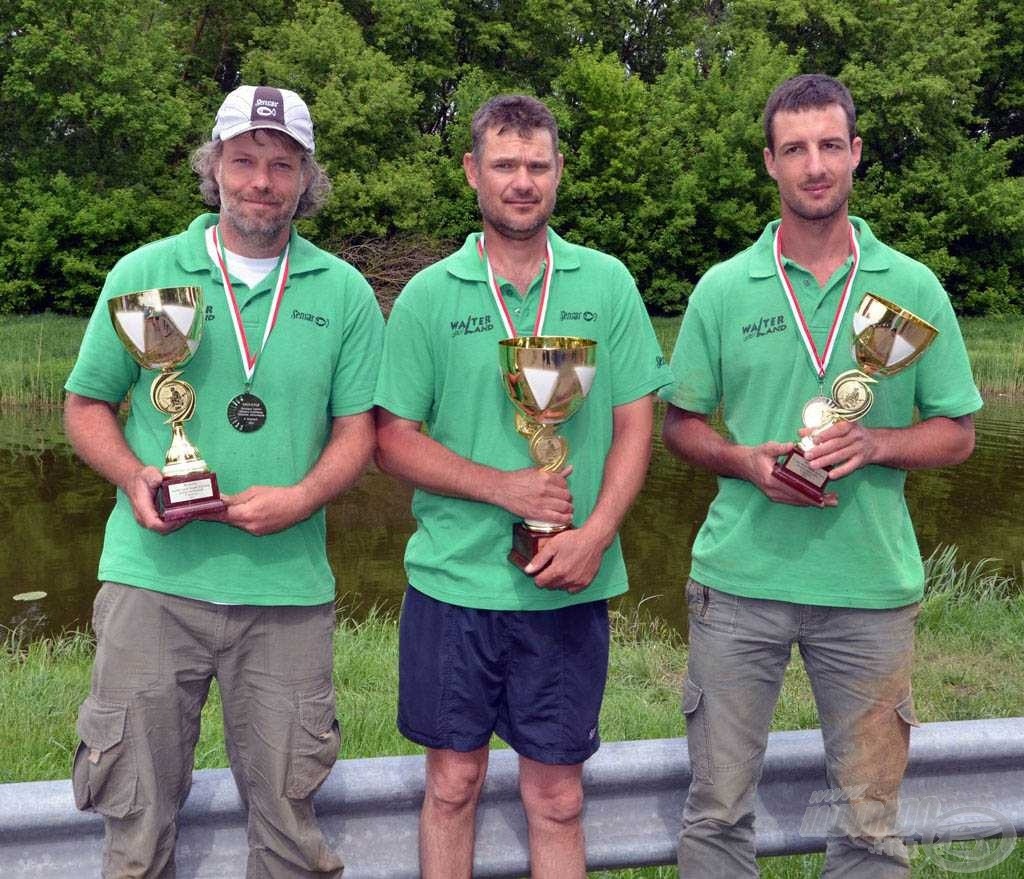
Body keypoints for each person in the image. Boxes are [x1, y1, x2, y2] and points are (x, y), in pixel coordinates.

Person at [661, 73, 982, 877]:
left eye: (830, 146)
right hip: (739, 583)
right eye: (795, 149)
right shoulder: (725, 288)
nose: (815, 165)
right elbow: (681, 425)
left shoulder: (907, 287)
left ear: (856, 154)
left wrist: (874, 444)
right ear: (770, 163)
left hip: (869, 587)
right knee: (716, 815)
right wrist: (743, 460)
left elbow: (958, 434)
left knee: (869, 829)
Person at [65, 85, 383, 877]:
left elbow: (359, 432)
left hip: (285, 594)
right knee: (135, 826)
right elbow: (85, 406)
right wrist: (138, 473)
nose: (262, 181)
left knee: (289, 831)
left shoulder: (342, 291)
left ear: (307, 178)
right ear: (214, 167)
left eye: (282, 164)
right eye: (244, 160)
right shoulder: (147, 272)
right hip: (153, 585)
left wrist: (304, 496)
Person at [373, 94, 670, 879]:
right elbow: (391, 439)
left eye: (538, 164)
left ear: (559, 172)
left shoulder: (605, 283)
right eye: (504, 164)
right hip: (453, 585)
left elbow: (639, 421)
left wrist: (597, 531)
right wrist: (505, 489)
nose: (522, 180)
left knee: (559, 796)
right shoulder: (431, 295)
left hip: (569, 585)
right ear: (473, 172)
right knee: (453, 783)